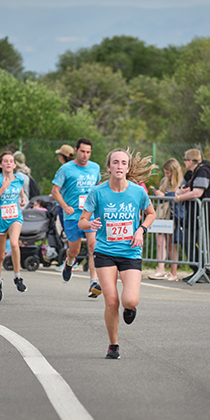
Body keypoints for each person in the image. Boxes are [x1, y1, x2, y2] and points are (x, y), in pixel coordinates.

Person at [79, 149, 156, 359]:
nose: (119, 166)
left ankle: (129, 309)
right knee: (111, 300)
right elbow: (82, 221)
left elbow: (151, 213)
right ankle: (113, 344)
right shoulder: (98, 192)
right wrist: (90, 223)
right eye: (115, 162)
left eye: (123, 163)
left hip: (130, 251)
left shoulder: (138, 192)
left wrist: (141, 229)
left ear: (128, 167)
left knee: (129, 300)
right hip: (105, 251)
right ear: (109, 166)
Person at [51, 137, 102, 298]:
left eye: (88, 152)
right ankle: (69, 261)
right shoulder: (66, 169)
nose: (85, 155)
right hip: (73, 216)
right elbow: (55, 191)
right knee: (75, 250)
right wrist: (65, 206)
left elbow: (98, 187)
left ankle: (93, 282)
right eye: (82, 151)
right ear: (76, 151)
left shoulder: (95, 168)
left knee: (93, 246)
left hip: (90, 215)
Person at [0, 151, 27, 302]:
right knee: (0, 255)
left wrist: (22, 198)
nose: (9, 163)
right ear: (0, 164)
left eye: (11, 161)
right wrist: (3, 188)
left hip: (14, 217)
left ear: (15, 165)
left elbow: (20, 188)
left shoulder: (20, 179)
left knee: (15, 244)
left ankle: (17, 277)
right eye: (6, 161)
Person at [175, 149, 210, 283]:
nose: (184, 162)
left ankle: (205, 271)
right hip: (192, 215)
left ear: (191, 161)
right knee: (187, 242)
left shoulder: (203, 171)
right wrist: (180, 192)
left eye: (185, 159)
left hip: (204, 215)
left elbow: (197, 193)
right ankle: (197, 270)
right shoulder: (190, 173)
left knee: (204, 244)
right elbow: (179, 188)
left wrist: (179, 197)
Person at [149, 158, 183, 281]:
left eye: (168, 173)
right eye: (165, 172)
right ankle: (161, 268)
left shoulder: (181, 182)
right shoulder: (165, 181)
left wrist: (165, 196)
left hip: (173, 215)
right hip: (162, 214)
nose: (166, 175)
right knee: (160, 242)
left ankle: (173, 273)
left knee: (171, 245)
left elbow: (178, 196)